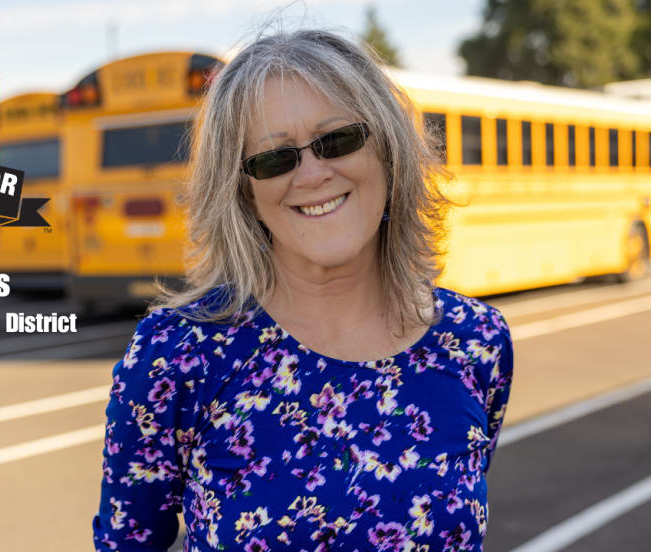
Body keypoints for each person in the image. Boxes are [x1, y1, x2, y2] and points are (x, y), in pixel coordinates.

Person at [92, 28, 513, 551]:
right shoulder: (178, 355)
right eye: (275, 158)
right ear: (243, 192)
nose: (312, 173)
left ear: (389, 149)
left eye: (338, 140)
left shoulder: (475, 341)